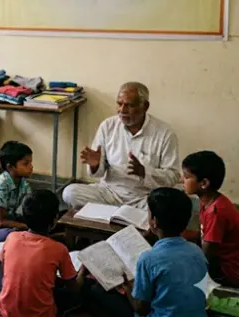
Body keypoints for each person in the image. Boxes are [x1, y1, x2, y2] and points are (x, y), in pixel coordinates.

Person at [62, 82, 180, 210]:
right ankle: (123, 215)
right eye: (119, 104)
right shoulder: (107, 126)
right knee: (70, 192)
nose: (122, 110)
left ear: (145, 106)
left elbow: (172, 176)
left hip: (143, 197)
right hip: (109, 193)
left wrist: (145, 172)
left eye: (130, 105)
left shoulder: (165, 134)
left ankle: (108, 214)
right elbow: (98, 174)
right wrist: (95, 165)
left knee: (167, 207)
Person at [0, 190, 84, 317]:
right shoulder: (59, 249)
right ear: (55, 219)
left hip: (7, 311)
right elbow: (74, 287)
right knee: (82, 292)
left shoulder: (11, 237)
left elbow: (5, 266)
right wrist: (84, 268)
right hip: (42, 314)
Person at [123, 188, 208, 317]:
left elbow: (141, 309)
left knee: (103, 296)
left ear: (154, 221)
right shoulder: (197, 252)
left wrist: (127, 287)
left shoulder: (148, 258)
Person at [181, 151, 239, 286]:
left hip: (228, 270)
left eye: (186, 177)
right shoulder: (208, 200)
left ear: (204, 183)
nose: (181, 180)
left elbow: (205, 257)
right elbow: (204, 235)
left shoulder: (216, 212)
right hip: (219, 256)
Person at [0, 141, 34, 242]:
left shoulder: (23, 183)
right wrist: (23, 226)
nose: (31, 167)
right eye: (26, 164)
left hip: (10, 220)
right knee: (15, 235)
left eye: (31, 162)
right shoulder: (1, 185)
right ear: (10, 167)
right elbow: (0, 221)